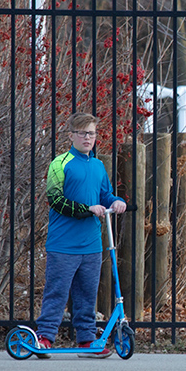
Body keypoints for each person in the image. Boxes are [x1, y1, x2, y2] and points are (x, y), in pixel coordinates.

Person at [35, 112, 127, 358]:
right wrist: (86, 209)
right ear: (71, 136)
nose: (88, 138)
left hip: (92, 245)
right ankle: (44, 337)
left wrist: (117, 201)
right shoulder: (60, 163)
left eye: (92, 133)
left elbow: (105, 195)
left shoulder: (98, 166)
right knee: (57, 292)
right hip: (63, 245)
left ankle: (87, 340)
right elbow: (56, 200)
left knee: (87, 295)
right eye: (83, 133)